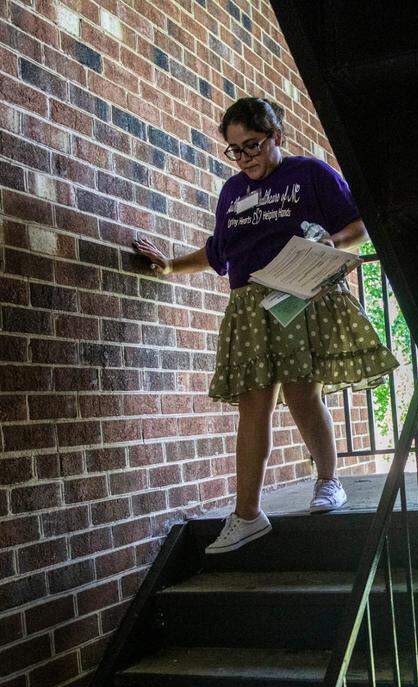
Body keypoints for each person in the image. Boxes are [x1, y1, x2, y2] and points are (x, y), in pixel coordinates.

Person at [132, 98, 399, 554]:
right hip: (249, 304)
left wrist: (326, 243)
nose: (244, 157)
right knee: (252, 405)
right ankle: (248, 515)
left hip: (296, 294)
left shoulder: (310, 174)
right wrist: (171, 267)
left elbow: (357, 227)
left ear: (276, 136)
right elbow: (220, 252)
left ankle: (328, 481)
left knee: (300, 392)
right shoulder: (231, 192)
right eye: (234, 150)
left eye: (252, 145)